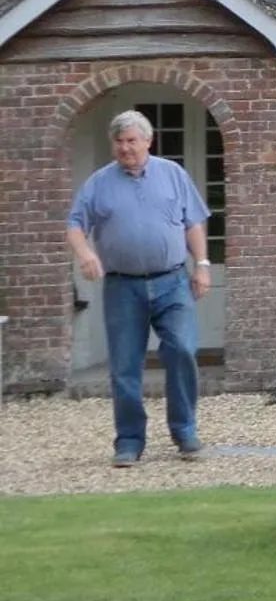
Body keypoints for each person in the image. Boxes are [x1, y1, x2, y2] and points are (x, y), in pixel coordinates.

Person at [66, 109, 212, 468]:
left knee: (181, 349)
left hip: (173, 281)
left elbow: (193, 223)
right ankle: (129, 440)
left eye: (132, 140)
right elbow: (75, 224)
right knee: (125, 365)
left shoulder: (173, 174)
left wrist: (203, 265)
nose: (125, 148)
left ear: (148, 141)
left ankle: (185, 429)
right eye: (119, 141)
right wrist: (85, 254)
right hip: (122, 286)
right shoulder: (99, 182)